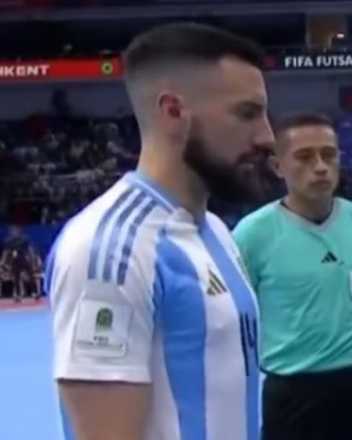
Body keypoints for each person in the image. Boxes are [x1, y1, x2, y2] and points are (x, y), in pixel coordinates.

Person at [46, 22, 274, 440]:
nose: (267, 137)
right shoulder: (110, 249)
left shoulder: (217, 232)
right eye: (247, 113)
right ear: (173, 112)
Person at [232, 113, 352, 440]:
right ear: (277, 166)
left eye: (328, 154)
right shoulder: (251, 235)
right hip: (294, 398)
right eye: (304, 156)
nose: (321, 166)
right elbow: (235, 313)